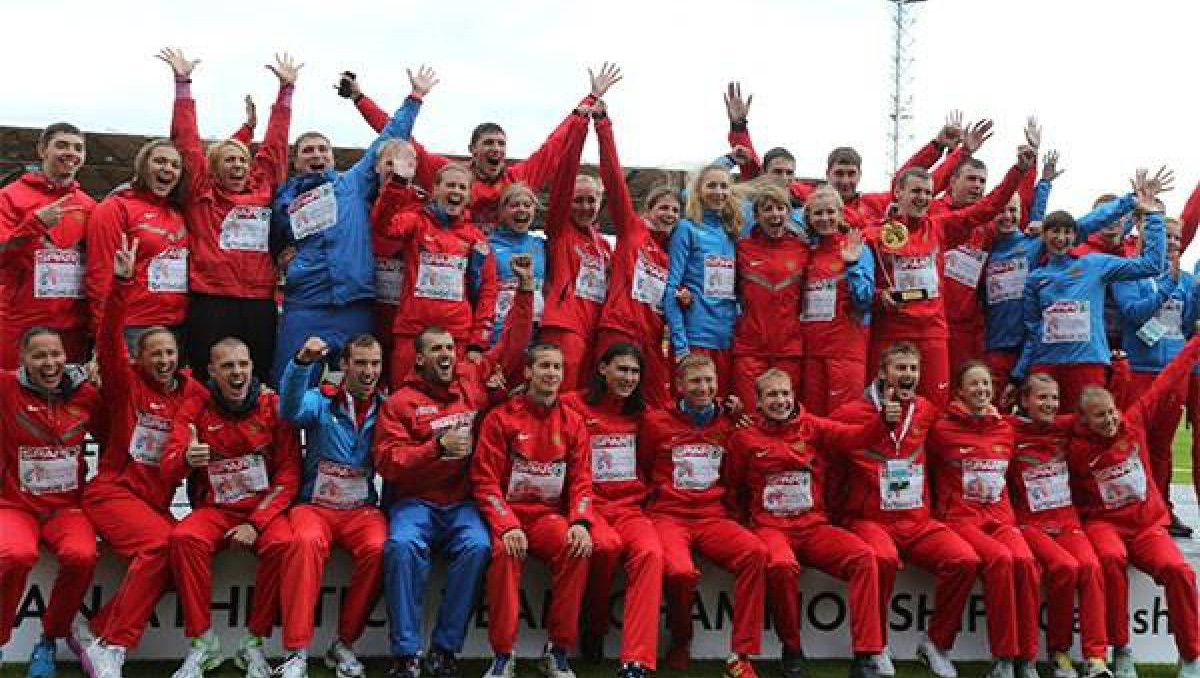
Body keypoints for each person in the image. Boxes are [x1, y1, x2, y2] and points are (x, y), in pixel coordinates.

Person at [371, 255, 535, 678]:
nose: (446, 355)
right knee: (402, 547)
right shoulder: (399, 403)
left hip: (462, 504)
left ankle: (445, 650)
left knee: (479, 547)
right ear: (420, 359)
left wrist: (524, 291)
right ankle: (406, 654)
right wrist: (435, 448)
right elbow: (388, 463)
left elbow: (512, 347)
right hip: (415, 502)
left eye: (450, 348)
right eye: (436, 350)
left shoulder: (473, 379)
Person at [79, 234, 206, 678]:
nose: (165, 361)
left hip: (150, 505)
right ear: (139, 357)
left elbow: (235, 399)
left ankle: (94, 629)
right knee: (160, 545)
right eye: (156, 354)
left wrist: (263, 396)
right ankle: (113, 646)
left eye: (170, 353)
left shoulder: (192, 394)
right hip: (111, 493)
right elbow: (110, 334)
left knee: (181, 557)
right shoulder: (124, 384)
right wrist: (120, 284)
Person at [270, 65, 435, 385]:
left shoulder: (352, 183)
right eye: (308, 151)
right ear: (295, 161)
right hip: (304, 304)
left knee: (359, 387)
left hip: (353, 306)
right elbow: (269, 242)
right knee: (290, 381)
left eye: (323, 149)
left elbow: (388, 137)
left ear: (332, 158)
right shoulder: (281, 200)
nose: (317, 155)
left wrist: (414, 99)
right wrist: (282, 258)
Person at [829, 342, 982, 678]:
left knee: (964, 560)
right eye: (901, 368)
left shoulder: (926, 410)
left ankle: (936, 645)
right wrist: (839, 516)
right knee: (881, 558)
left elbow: (954, 435)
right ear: (883, 373)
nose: (908, 375)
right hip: (871, 520)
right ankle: (876, 646)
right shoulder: (849, 414)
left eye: (913, 369)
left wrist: (984, 417)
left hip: (917, 520)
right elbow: (833, 469)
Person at [729, 368, 889, 678]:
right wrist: (744, 526)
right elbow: (732, 486)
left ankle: (866, 655)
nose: (781, 400)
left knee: (864, 557)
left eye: (785, 393)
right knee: (780, 566)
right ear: (758, 402)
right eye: (772, 395)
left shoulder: (812, 426)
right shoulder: (744, 438)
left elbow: (855, 437)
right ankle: (792, 649)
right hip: (771, 528)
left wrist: (883, 422)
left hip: (813, 527)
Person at [161, 338, 300, 678]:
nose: (237, 372)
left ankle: (253, 644)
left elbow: (289, 473)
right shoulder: (196, 408)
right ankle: (203, 643)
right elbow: (168, 463)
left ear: (253, 367)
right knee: (184, 538)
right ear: (212, 372)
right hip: (216, 510)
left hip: (262, 510)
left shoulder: (273, 406)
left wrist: (257, 522)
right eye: (227, 366)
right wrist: (185, 458)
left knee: (283, 545)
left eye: (243, 364)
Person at [158, 47, 298, 383]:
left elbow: (276, 146)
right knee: (209, 379)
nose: (237, 165)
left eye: (241, 160)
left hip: (258, 301)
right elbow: (187, 144)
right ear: (213, 168)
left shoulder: (263, 191)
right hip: (212, 300)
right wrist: (183, 85)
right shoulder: (202, 194)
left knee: (257, 376)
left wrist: (286, 92)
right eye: (228, 161)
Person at [1067, 334, 1200, 678]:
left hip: (1145, 527)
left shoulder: (1134, 420)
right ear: (1083, 420)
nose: (1110, 421)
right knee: (1111, 559)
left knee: (1180, 572)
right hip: (1104, 525)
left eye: (1110, 412)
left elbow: (1169, 376)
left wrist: (1197, 342)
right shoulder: (1075, 447)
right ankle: (1121, 649)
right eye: (1099, 417)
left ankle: (1190, 657)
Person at [866, 142, 1034, 407]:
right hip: (892, 329)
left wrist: (1019, 171)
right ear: (898, 192)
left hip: (933, 330)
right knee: (887, 402)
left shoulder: (940, 227)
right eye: (916, 191)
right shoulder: (874, 233)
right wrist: (879, 296)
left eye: (927, 193)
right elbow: (861, 280)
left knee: (936, 404)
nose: (922, 197)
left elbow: (988, 208)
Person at [340, 66, 607, 229]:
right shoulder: (449, 175)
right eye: (489, 143)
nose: (497, 149)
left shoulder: (518, 179)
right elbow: (398, 136)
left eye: (501, 144)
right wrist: (360, 98)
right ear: (473, 149)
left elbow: (555, 145)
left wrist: (588, 101)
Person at [470, 343, 595, 678]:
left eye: (557, 368)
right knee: (505, 553)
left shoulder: (574, 423)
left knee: (577, 548)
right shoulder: (501, 418)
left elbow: (583, 480)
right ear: (528, 372)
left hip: (546, 517)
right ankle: (503, 654)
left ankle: (557, 650)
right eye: (544, 366)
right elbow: (485, 481)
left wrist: (580, 521)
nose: (551, 374)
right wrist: (507, 524)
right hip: (508, 515)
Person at [641, 353, 766, 678]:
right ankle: (681, 639)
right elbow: (642, 466)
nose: (704, 387)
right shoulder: (656, 421)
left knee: (756, 553)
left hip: (713, 516)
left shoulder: (729, 423)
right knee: (680, 572)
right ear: (679, 385)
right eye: (695, 381)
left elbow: (735, 474)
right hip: (668, 515)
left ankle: (741, 654)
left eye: (709, 380)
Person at [275, 335, 388, 678]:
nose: (369, 371)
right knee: (305, 543)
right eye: (361, 363)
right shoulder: (322, 401)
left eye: (375, 363)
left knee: (381, 548)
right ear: (344, 366)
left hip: (360, 510)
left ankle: (343, 644)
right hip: (315, 506)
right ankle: (296, 653)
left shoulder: (388, 408)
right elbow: (290, 409)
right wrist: (301, 364)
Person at [1011, 169, 1170, 411]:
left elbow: (1151, 265)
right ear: (1044, 235)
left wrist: (1154, 216)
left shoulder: (1094, 264)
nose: (1061, 238)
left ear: (1076, 236)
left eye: (1067, 233)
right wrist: (1019, 373)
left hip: (1087, 364)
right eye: (1055, 232)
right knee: (1046, 435)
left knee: (1086, 432)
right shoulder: (1036, 278)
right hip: (1046, 366)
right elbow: (1034, 331)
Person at [926, 362, 1040, 678]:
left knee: (1025, 561)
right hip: (960, 518)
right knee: (1001, 560)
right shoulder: (941, 429)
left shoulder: (1005, 426)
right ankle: (1003, 659)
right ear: (960, 391)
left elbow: (1049, 425)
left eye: (986, 385)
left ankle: (1026, 659)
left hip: (1001, 518)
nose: (981, 390)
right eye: (974, 384)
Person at [0, 328, 100, 677]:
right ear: (22, 360)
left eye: (55, 354)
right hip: (16, 505)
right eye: (39, 356)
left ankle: (49, 640)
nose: (49, 363)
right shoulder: (7, 388)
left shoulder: (87, 394)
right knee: (15, 554)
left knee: (83, 555)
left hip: (66, 509)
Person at [563, 343, 664, 678]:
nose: (629, 378)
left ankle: (636, 661)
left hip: (629, 508)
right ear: (602, 368)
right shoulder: (572, 405)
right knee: (605, 546)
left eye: (635, 372)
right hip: (588, 505)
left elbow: (652, 458)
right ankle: (593, 625)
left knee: (650, 553)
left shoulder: (642, 415)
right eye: (622, 369)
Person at [1007, 374, 1111, 678]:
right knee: (1065, 567)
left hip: (1067, 521)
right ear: (1024, 401)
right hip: (1030, 524)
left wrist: (1118, 370)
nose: (1050, 404)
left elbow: (1103, 410)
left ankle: (1096, 658)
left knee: (1091, 567)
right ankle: (1059, 653)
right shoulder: (1007, 428)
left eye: (1054, 398)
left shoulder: (1065, 427)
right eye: (1042, 398)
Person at [538, 64, 624, 392]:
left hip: (596, 329)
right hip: (565, 327)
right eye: (578, 200)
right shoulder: (560, 229)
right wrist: (585, 119)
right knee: (562, 398)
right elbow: (564, 171)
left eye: (591, 201)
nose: (585, 207)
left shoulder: (605, 245)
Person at [1111, 215, 1197, 537]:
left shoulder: (1186, 279)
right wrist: (1167, 286)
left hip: (1175, 372)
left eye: (1177, 238)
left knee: (1163, 447)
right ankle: (1136, 511)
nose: (1173, 243)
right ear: (1147, 239)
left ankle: (1163, 510)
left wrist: (1196, 295)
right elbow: (1134, 314)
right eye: (1167, 237)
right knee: (1135, 445)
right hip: (1139, 371)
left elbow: (1187, 325)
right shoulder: (1130, 273)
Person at [375, 161, 498, 386]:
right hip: (412, 333)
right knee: (403, 402)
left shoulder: (476, 238)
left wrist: (477, 343)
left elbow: (488, 292)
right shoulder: (417, 221)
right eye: (450, 185)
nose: (456, 192)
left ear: (469, 196)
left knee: (450, 408)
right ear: (435, 190)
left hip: (456, 337)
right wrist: (397, 184)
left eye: (462, 188)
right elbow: (384, 226)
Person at [591, 102, 679, 408]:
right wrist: (603, 126)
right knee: (606, 400)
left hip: (652, 339)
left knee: (657, 406)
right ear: (647, 211)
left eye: (675, 210)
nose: (669, 214)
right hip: (618, 328)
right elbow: (614, 179)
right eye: (663, 208)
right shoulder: (632, 231)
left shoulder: (674, 257)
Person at [0, 122, 94, 369]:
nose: (71, 153)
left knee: (67, 400)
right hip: (21, 323)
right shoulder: (9, 197)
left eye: (78, 148)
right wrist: (34, 225)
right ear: (42, 150)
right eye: (62, 145)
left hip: (72, 326)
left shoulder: (88, 205)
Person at [85, 138, 190, 349]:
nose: (168, 169)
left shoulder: (179, 212)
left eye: (175, 165)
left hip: (176, 327)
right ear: (142, 166)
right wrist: (103, 333)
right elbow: (100, 274)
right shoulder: (115, 208)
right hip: (132, 327)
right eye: (160, 161)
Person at [729, 185, 809, 412]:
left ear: (789, 213)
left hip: (789, 349)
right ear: (756, 216)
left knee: (786, 413)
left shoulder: (802, 249)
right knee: (749, 414)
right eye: (768, 209)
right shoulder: (742, 248)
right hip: (749, 348)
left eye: (781, 208)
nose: (775, 214)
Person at [662, 165, 742, 390]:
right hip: (695, 338)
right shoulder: (686, 229)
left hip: (726, 339)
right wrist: (680, 345)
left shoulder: (731, 232)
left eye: (724, 186)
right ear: (697, 191)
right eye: (712, 185)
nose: (719, 192)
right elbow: (671, 288)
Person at [798, 186, 874, 415]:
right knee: (814, 419)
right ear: (809, 218)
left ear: (840, 214)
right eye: (818, 214)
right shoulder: (806, 252)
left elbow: (865, 299)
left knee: (845, 418)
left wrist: (851, 264)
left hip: (846, 349)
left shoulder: (855, 246)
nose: (825, 219)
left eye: (830, 212)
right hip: (812, 350)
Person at [487, 183, 547, 346]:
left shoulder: (541, 245)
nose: (522, 209)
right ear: (502, 211)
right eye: (514, 205)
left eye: (527, 205)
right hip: (499, 333)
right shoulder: (488, 245)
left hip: (534, 333)